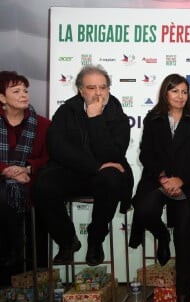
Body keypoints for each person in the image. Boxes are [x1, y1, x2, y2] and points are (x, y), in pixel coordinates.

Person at [129, 74, 190, 302]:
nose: (180, 96)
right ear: (165, 93)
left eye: (184, 92)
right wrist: (165, 178)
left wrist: (182, 179)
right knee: (144, 210)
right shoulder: (153, 119)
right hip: (160, 179)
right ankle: (162, 238)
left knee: (185, 237)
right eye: (175, 90)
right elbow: (146, 153)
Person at [32, 65, 133, 266]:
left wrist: (95, 119)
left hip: (102, 178)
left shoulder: (117, 114)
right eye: (91, 87)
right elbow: (58, 148)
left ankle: (95, 239)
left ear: (109, 89)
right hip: (73, 171)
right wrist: (94, 167)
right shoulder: (66, 110)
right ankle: (67, 241)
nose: (98, 93)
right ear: (81, 90)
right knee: (43, 184)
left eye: (103, 87)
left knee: (112, 178)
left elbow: (112, 154)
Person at [0, 71, 49, 281]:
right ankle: (13, 251)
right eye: (16, 91)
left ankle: (20, 255)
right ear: (2, 97)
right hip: (2, 181)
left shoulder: (43, 124)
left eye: (25, 90)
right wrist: (5, 169)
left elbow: (52, 156)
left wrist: (29, 168)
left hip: (30, 183)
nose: (24, 95)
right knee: (3, 194)